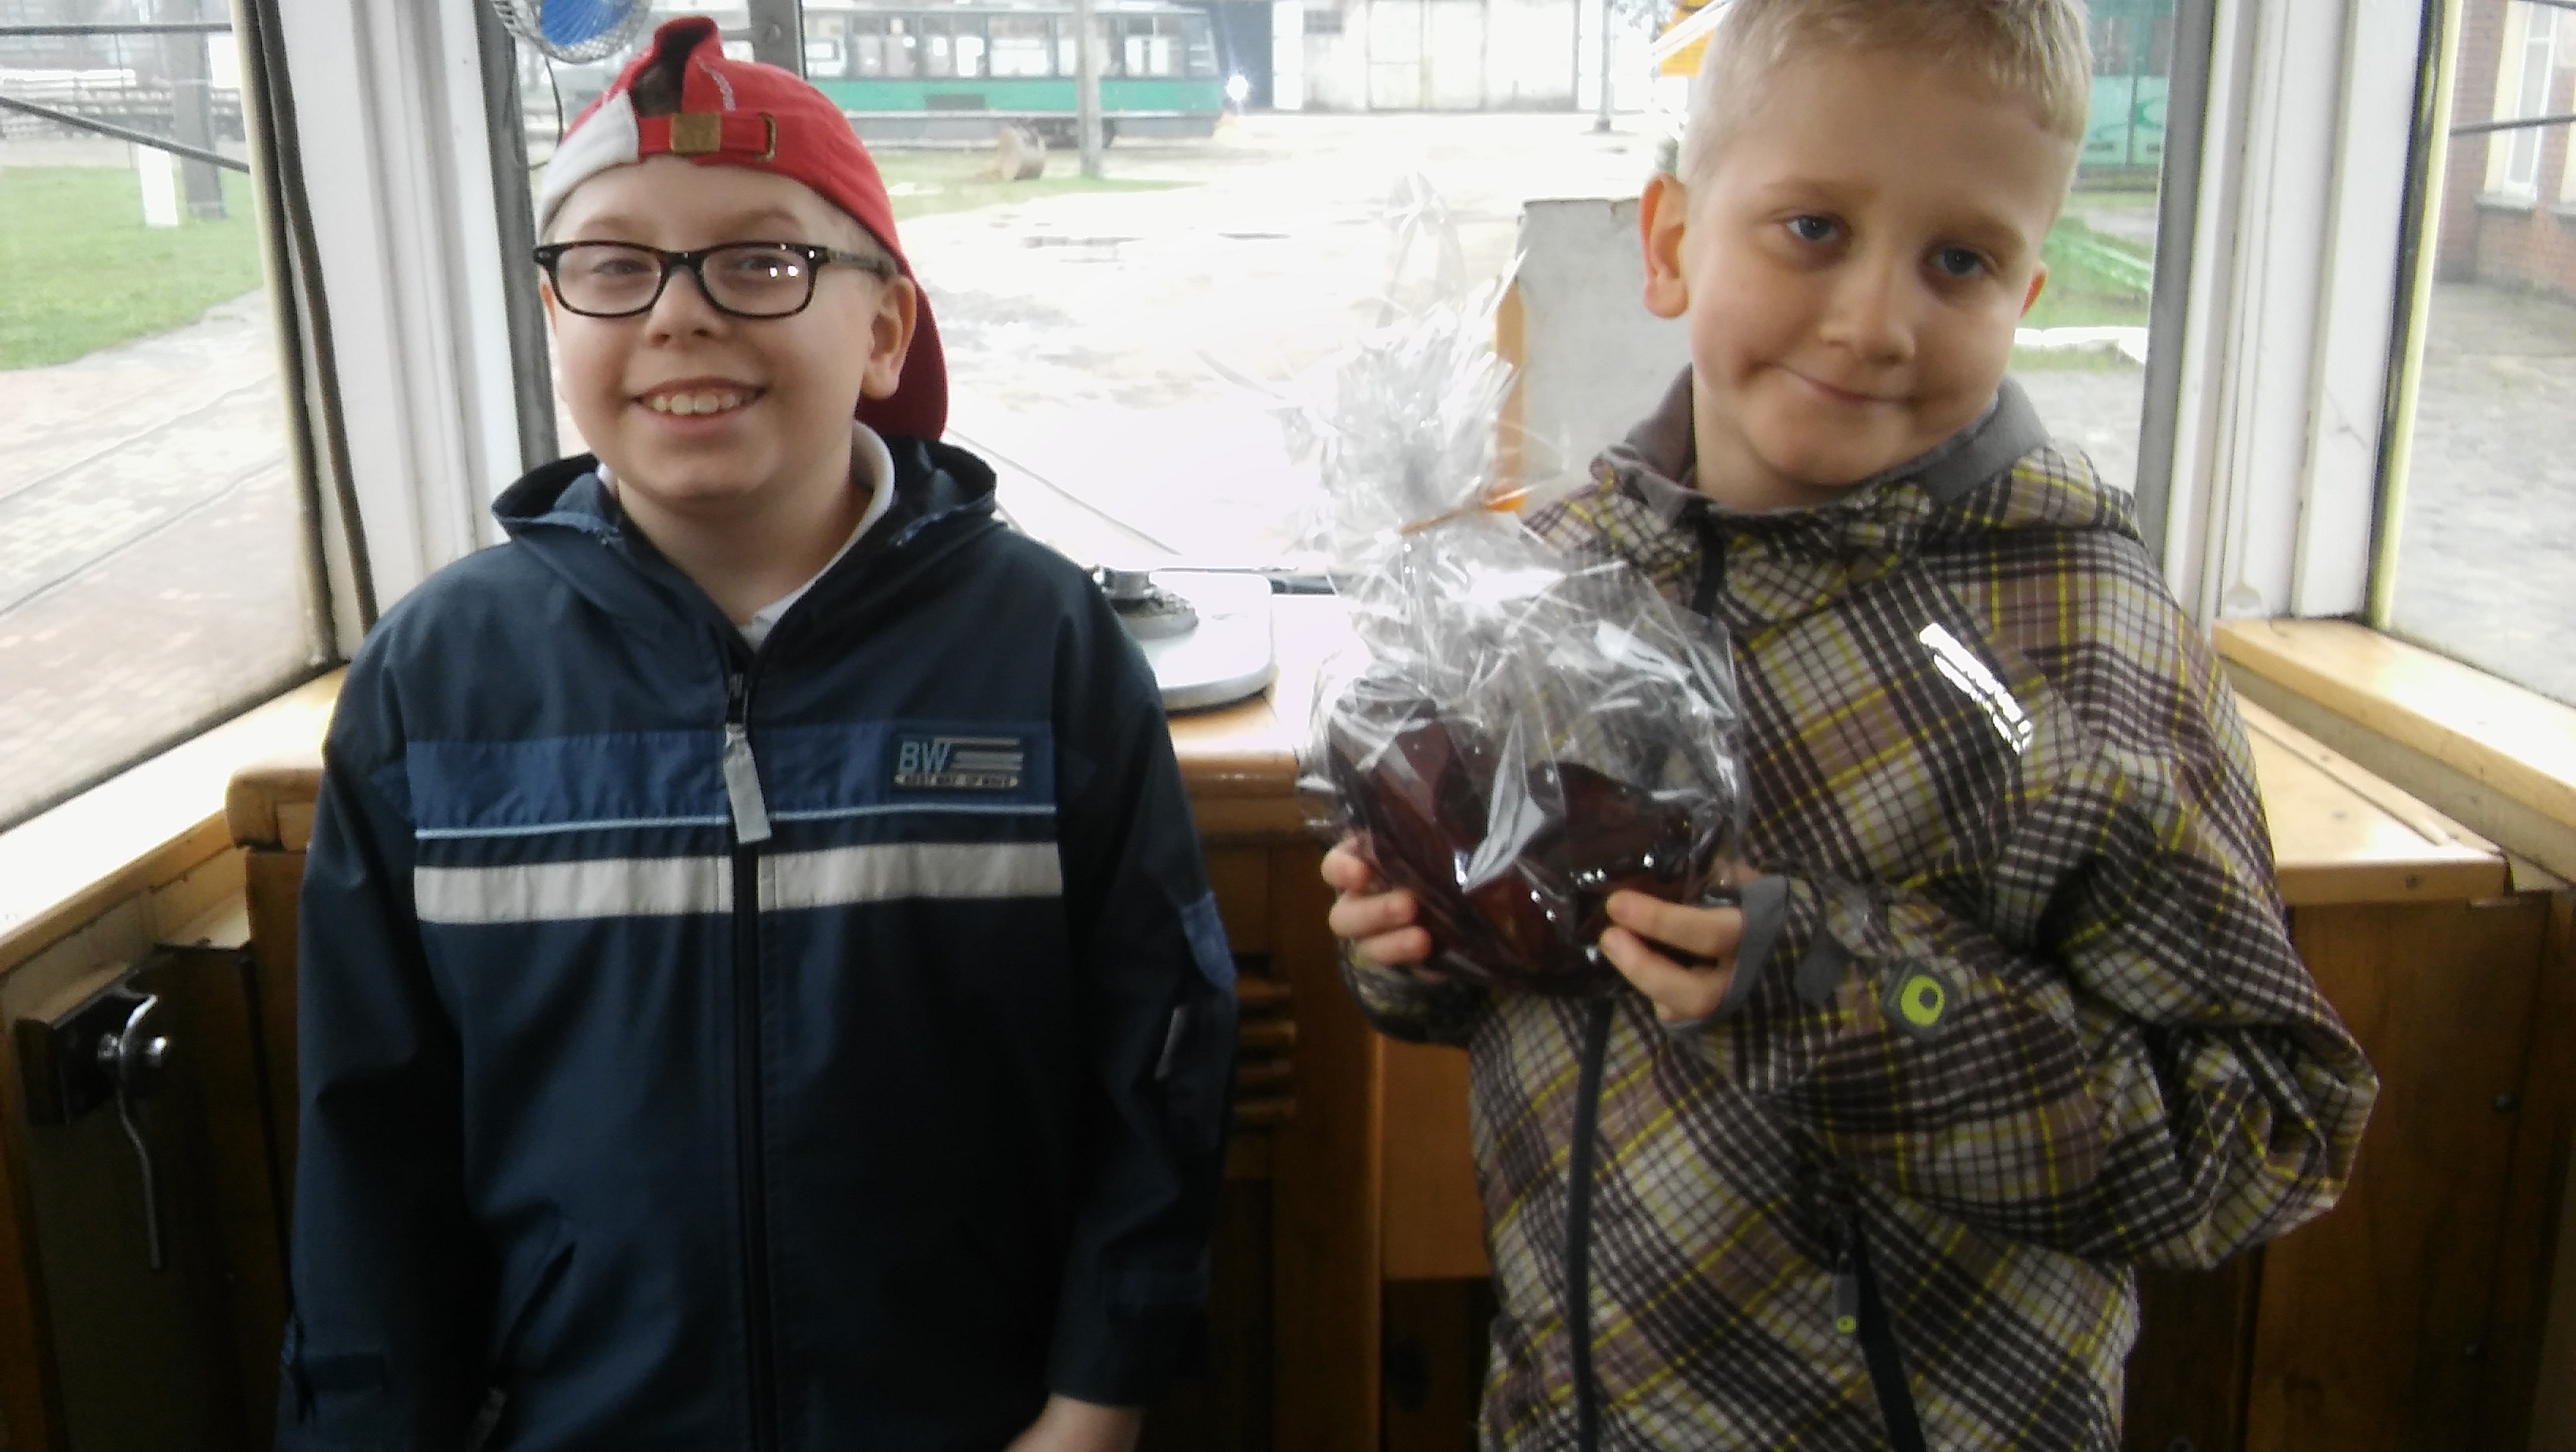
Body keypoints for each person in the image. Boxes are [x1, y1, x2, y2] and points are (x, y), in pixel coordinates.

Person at [1322, 2, 2378, 1447]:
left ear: (2027, 291)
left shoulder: (2083, 647)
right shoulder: (1543, 594)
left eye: (1961, 261)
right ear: (1671, 242)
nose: (1877, 323)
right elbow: (1520, 1001)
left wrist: (1835, 990)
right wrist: (1418, 944)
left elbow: (2264, 1131)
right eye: (1813, 228)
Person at [279, 18, 1237, 1451]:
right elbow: (371, 1144)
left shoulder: (1040, 649)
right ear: (553, 320)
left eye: (762, 262)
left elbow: (1159, 1058)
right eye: (614, 267)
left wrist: (1096, 1405)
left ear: (885, 329)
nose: (679, 315)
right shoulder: (437, 685)